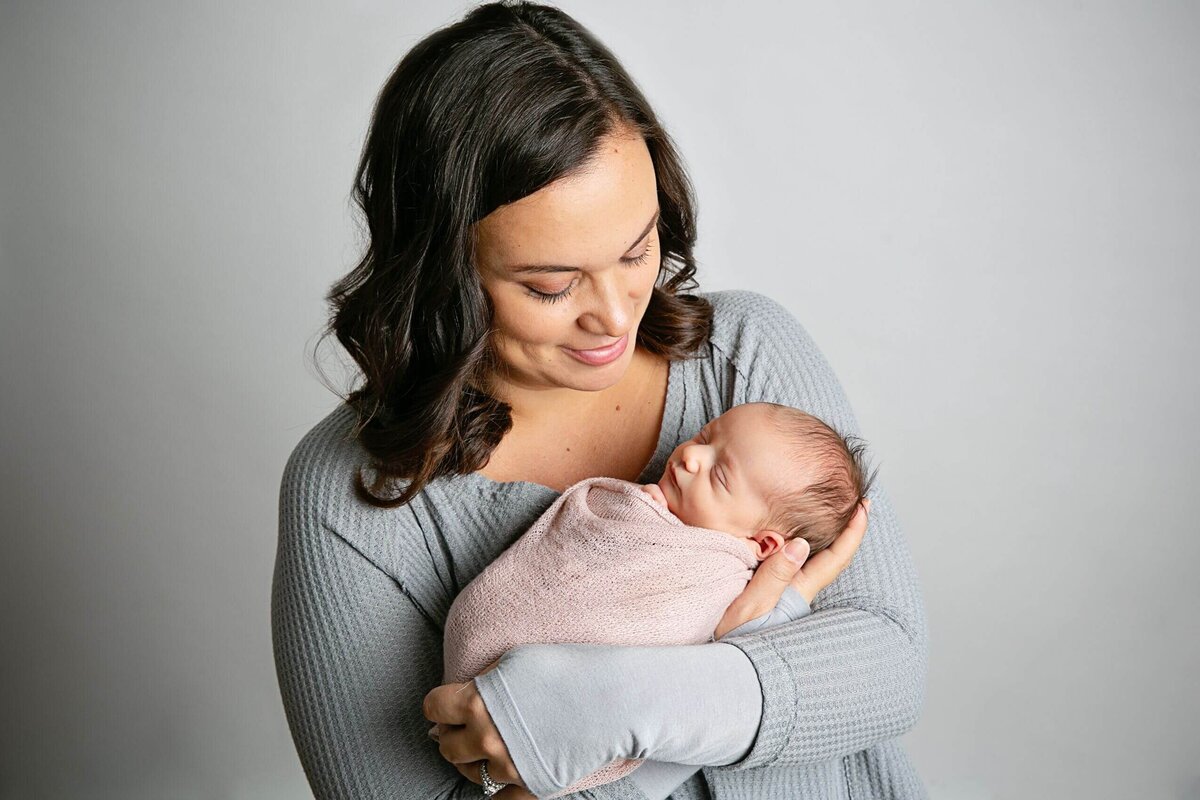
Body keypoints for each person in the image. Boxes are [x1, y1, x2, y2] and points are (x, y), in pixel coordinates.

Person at [270, 2, 928, 799]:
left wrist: (615, 705)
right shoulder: (350, 495)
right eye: (551, 285)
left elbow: (888, 660)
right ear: (441, 274)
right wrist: (709, 706)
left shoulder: (744, 354)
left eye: (636, 250)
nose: (617, 316)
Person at [436, 401, 877, 797]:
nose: (690, 455)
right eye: (705, 436)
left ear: (762, 546)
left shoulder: (722, 579)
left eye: (719, 475)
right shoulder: (661, 512)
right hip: (481, 681)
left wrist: (760, 630)